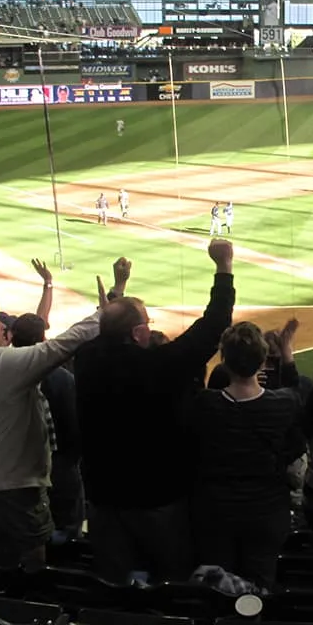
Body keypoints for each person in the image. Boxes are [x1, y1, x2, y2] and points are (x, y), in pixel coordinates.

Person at [0, 260, 119, 572]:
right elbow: (62, 346)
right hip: (8, 484)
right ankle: (28, 608)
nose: (3, 328)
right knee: (32, 556)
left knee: (1, 549)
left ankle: (1, 599)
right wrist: (103, 314)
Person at [74, 240, 235, 583]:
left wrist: (118, 290)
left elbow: (104, 329)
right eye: (146, 322)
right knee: (171, 578)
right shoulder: (158, 367)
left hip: (104, 497)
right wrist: (224, 266)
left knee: (113, 583)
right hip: (157, 499)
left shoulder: (86, 359)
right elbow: (213, 326)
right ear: (138, 333)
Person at [185, 322, 303, 584]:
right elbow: (297, 393)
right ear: (263, 362)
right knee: (260, 587)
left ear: (224, 362)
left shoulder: (205, 404)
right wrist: (286, 354)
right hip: (266, 512)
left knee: (215, 586)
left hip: (216, 512)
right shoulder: (283, 403)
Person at [9, 312, 84, 537]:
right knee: (68, 524)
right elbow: (74, 426)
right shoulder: (60, 378)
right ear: (43, 339)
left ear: (12, 337)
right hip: (59, 464)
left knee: (28, 524)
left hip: (17, 463)